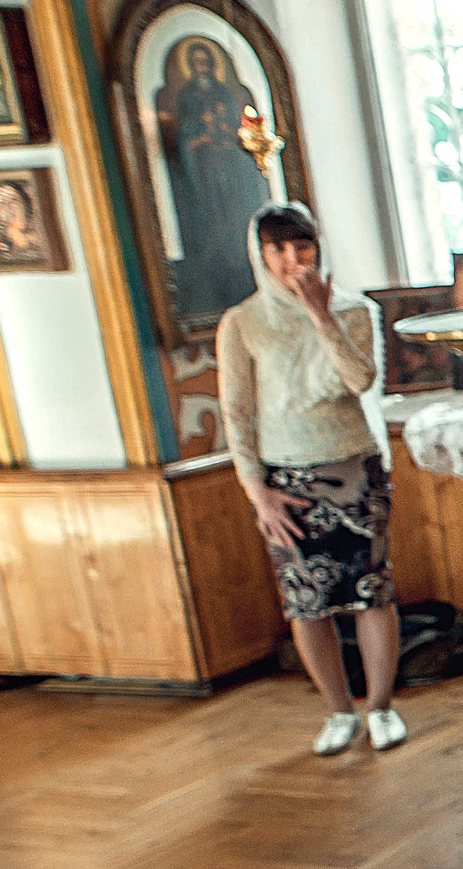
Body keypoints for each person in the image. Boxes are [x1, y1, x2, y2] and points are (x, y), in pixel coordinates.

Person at [218, 203, 407, 757]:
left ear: (317, 249)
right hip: (284, 481)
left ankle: (381, 707)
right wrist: (258, 494)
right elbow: (236, 412)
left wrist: (321, 316)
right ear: (260, 254)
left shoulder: (354, 310)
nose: (290, 260)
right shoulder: (242, 322)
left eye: (301, 247)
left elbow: (360, 379)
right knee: (308, 602)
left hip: (353, 466)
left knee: (371, 591)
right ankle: (338, 712)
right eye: (277, 249)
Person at [155, 38, 270, 324]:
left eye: (206, 62)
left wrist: (230, 135)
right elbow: (183, 135)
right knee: (212, 221)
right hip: (203, 173)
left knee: (237, 220)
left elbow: (241, 129)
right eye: (197, 64)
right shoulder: (187, 96)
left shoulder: (224, 92)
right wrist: (198, 138)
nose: (202, 68)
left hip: (231, 167)